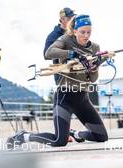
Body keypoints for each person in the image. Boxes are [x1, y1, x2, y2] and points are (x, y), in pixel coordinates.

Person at [7, 14, 109, 148]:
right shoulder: (66, 40)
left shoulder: (95, 48)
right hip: (65, 97)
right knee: (59, 141)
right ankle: (23, 136)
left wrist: (94, 68)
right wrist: (71, 54)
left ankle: (76, 134)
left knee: (101, 136)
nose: (86, 35)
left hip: (83, 98)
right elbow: (48, 53)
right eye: (82, 32)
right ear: (74, 31)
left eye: (89, 32)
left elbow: (93, 79)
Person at [43, 7, 75, 84]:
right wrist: (69, 53)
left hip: (77, 75)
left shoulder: (75, 32)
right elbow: (46, 55)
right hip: (62, 77)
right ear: (62, 19)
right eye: (69, 18)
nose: (72, 21)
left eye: (73, 18)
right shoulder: (53, 36)